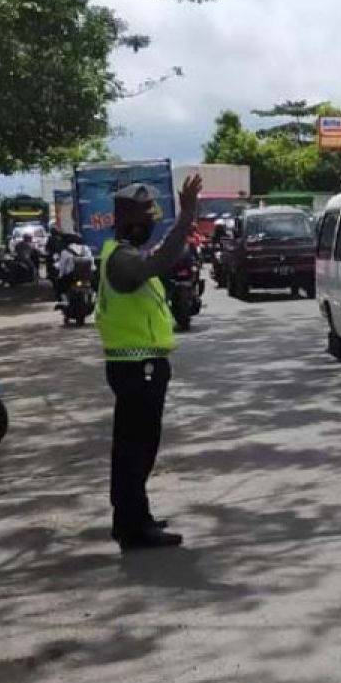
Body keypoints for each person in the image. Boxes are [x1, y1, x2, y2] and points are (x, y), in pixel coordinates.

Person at [96, 175, 202, 551]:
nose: (151, 222)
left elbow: (157, 259)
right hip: (136, 367)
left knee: (136, 447)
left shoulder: (123, 253)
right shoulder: (123, 259)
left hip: (140, 366)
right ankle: (133, 526)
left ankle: (132, 517)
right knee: (134, 450)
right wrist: (186, 215)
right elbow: (159, 261)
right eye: (147, 217)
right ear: (132, 222)